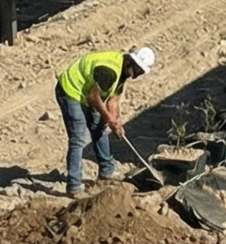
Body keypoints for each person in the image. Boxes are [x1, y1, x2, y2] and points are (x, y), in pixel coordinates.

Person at [55, 46, 155, 196]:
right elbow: (93, 97)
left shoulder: (123, 72)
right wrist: (109, 118)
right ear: (131, 62)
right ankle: (74, 186)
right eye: (139, 70)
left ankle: (106, 172)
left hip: (88, 93)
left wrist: (116, 121)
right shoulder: (109, 72)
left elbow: (113, 101)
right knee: (77, 139)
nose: (138, 75)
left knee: (100, 128)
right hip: (70, 91)